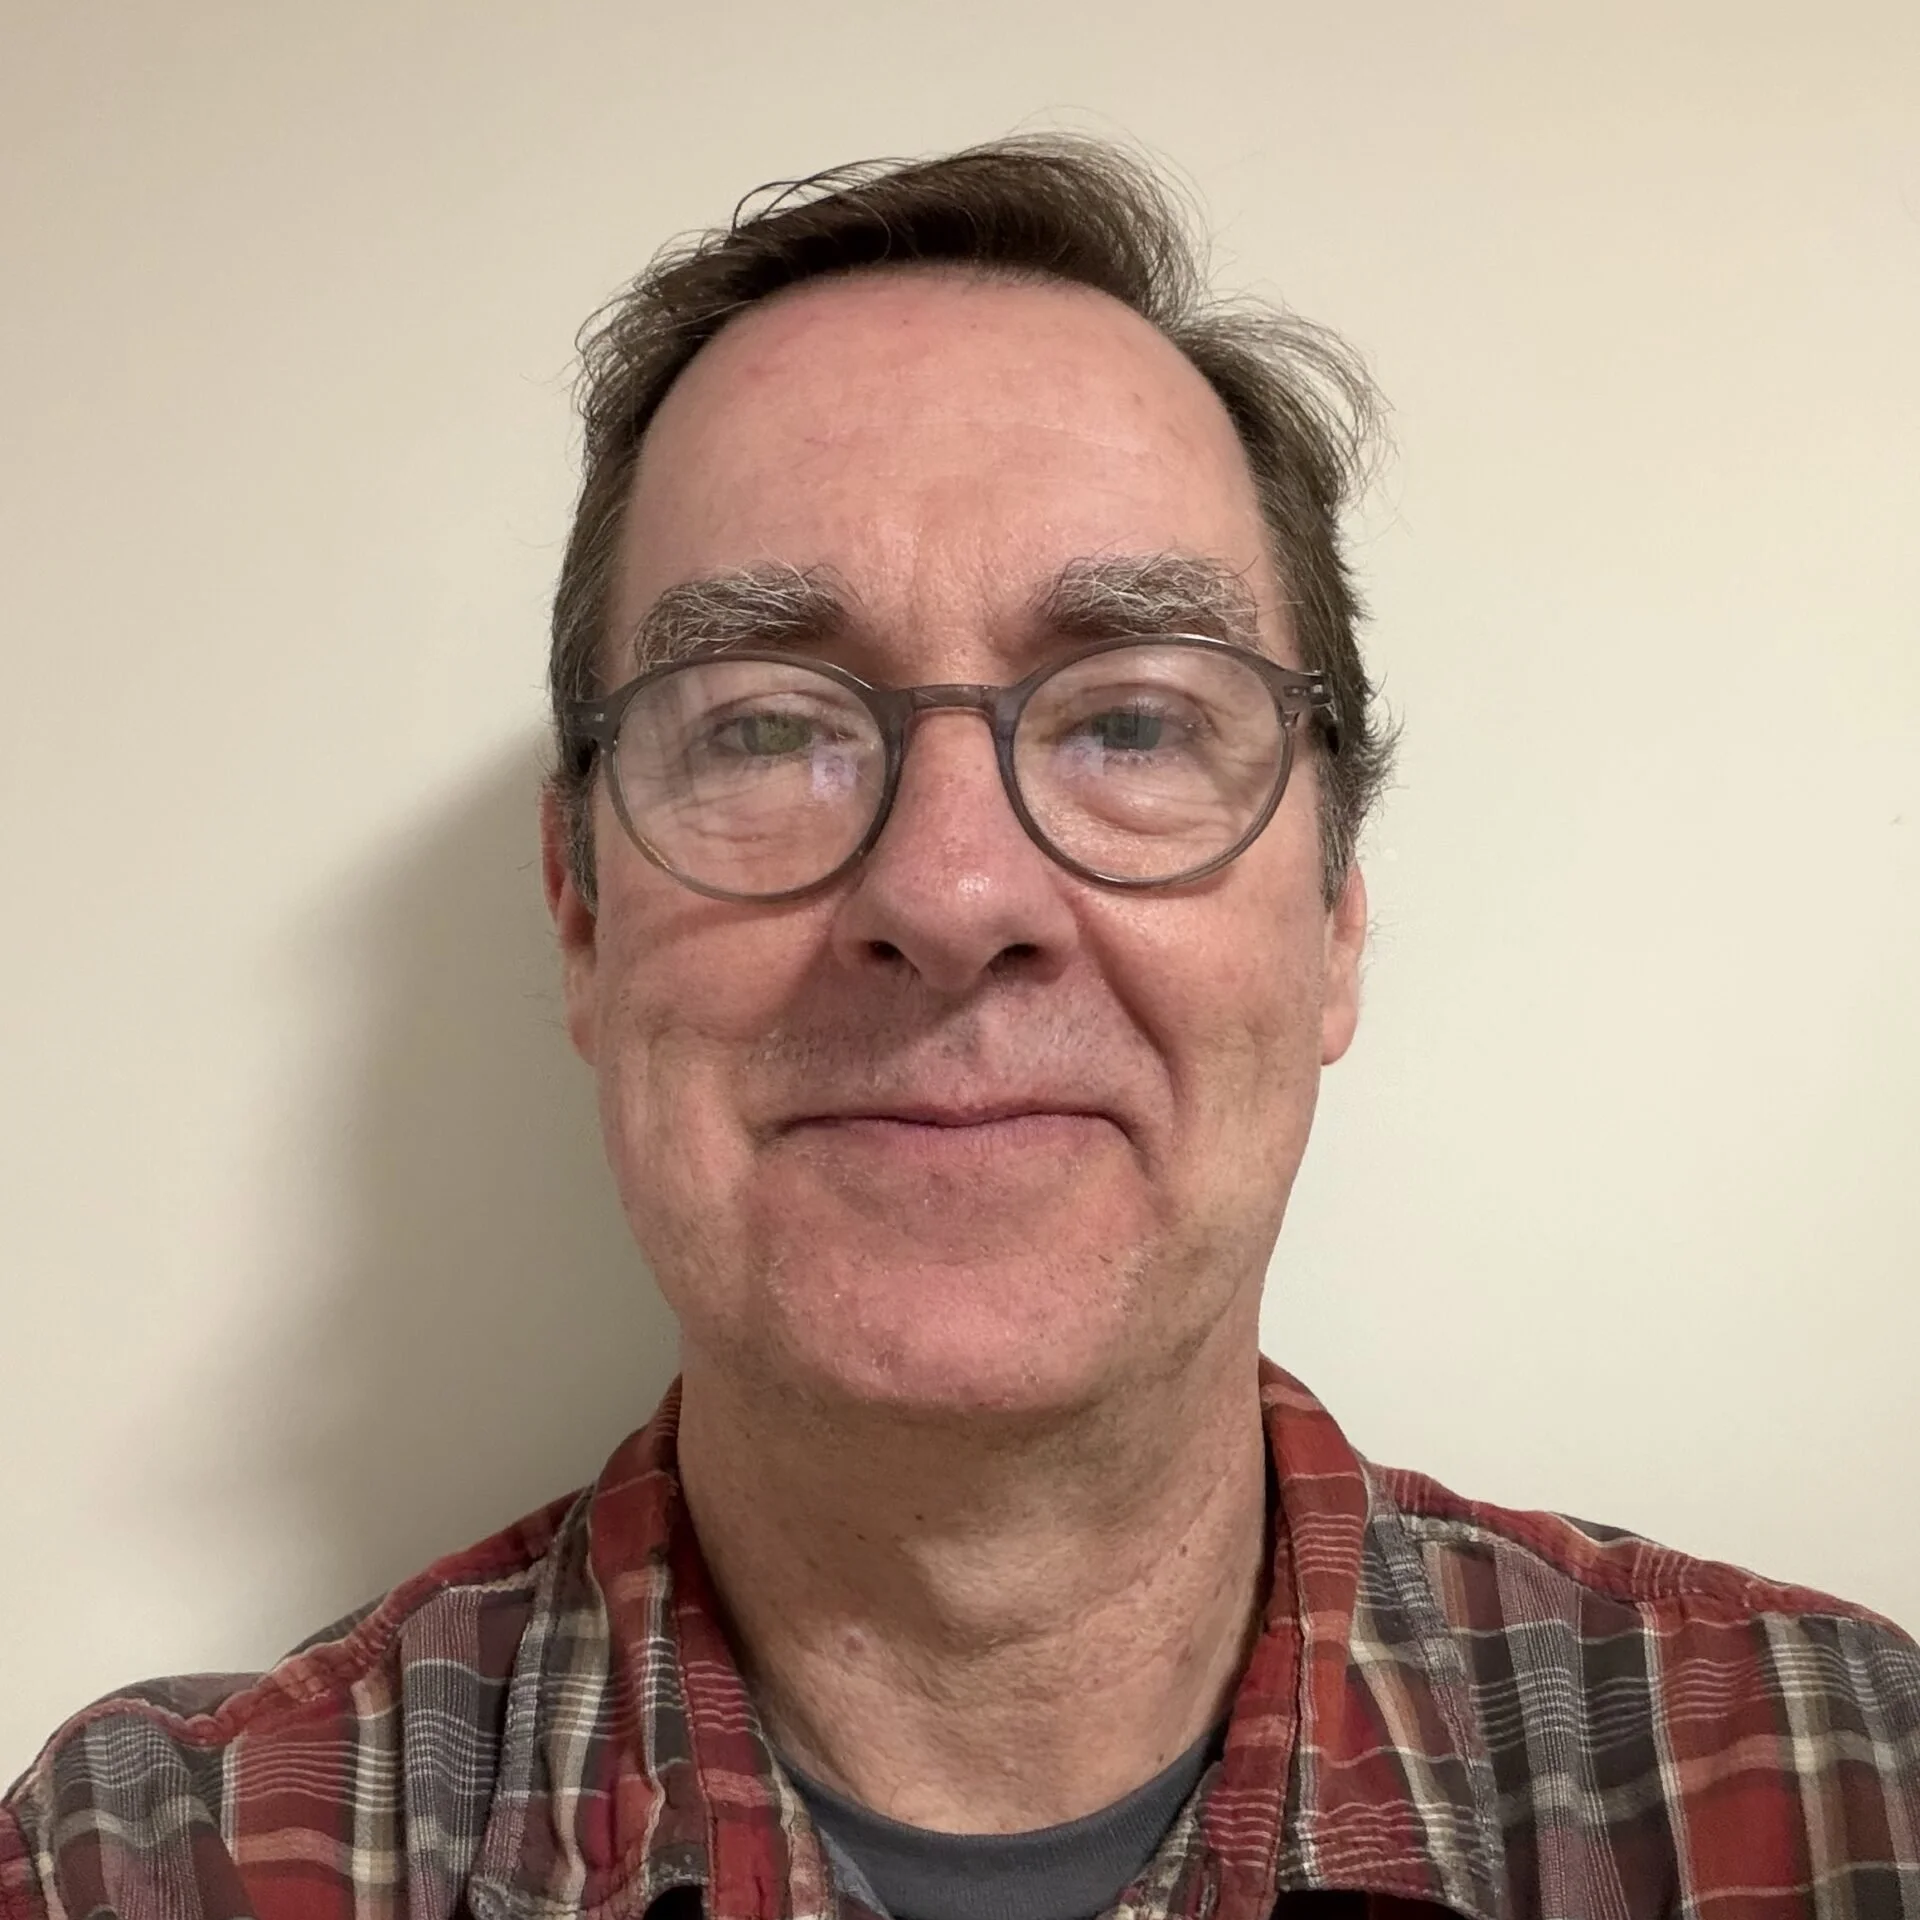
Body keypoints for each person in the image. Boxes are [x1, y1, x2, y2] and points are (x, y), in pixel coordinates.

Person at [4, 136, 1916, 1920]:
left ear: (1336, 917)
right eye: (762, 724)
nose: (950, 893)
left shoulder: (1832, 1798)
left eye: (1133, 722)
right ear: (579, 914)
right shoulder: (158, 1868)